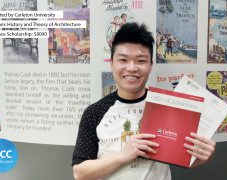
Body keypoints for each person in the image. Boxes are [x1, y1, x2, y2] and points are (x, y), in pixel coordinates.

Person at [72, 22, 216, 180]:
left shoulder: (167, 106)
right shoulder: (95, 112)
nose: (132, 68)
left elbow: (183, 159)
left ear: (150, 66)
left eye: (141, 61)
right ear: (112, 63)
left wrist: (202, 157)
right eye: (123, 60)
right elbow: (80, 173)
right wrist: (123, 155)